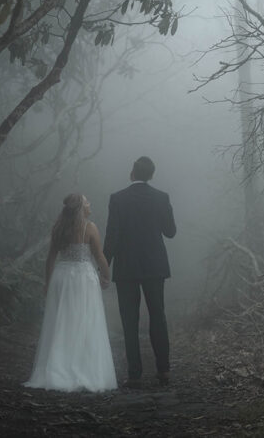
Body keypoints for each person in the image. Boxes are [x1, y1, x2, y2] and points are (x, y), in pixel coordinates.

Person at [25, 193, 117, 392]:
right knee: (85, 321)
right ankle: (85, 368)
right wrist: (107, 277)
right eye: (87, 202)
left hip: (62, 277)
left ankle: (58, 367)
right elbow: (99, 256)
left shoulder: (59, 228)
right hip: (83, 279)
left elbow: (50, 258)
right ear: (80, 208)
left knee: (62, 322)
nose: (90, 203)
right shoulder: (89, 227)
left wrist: (48, 283)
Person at [103, 156, 176, 388]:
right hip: (155, 266)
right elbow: (171, 232)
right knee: (158, 316)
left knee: (129, 320)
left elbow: (112, 236)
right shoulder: (161, 197)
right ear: (151, 175)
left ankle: (134, 374)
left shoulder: (117, 199)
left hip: (126, 267)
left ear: (132, 173)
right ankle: (164, 370)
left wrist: (104, 266)